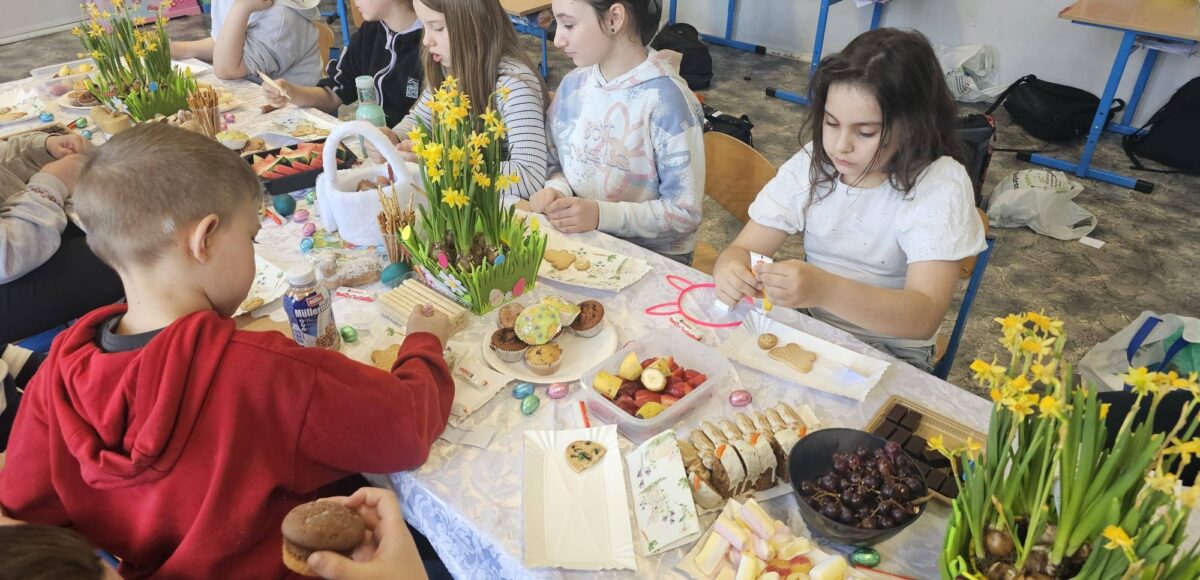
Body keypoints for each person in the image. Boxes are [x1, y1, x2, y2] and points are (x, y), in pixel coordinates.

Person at [0, 124, 456, 578]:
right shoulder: (264, 369)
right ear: (205, 239)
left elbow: (26, 519)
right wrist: (424, 343)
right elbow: (405, 427)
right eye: (251, 238)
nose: (252, 250)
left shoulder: (56, 375)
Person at [713, 28, 986, 371]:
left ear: (914, 126)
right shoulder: (815, 163)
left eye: (865, 132)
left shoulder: (939, 185)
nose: (841, 146)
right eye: (831, 123)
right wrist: (730, 269)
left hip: (893, 349)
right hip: (812, 323)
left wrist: (824, 290)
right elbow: (744, 249)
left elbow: (923, 316)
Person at [529, 0, 704, 265]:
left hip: (654, 258)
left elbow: (683, 213)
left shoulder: (668, 102)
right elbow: (555, 161)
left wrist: (601, 215)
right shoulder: (573, 85)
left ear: (614, 19)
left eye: (569, 24)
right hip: (586, 241)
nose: (557, 40)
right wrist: (557, 189)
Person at [389, 0, 549, 201]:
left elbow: (530, 176)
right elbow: (420, 121)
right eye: (423, 26)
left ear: (475, 24)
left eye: (437, 27)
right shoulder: (449, 70)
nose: (426, 40)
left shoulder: (513, 84)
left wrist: (448, 167)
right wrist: (395, 138)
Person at [0, 131, 122, 343]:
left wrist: (42, 149)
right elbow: (7, 255)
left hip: (13, 240)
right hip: (9, 259)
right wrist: (51, 183)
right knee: (128, 252)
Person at [263, 0, 424, 127]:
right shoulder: (369, 32)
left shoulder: (430, 43)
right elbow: (333, 95)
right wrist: (291, 92)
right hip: (375, 145)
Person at [172, 0, 322, 85]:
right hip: (258, 97)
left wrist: (242, 7)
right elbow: (225, 47)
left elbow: (227, 69)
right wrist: (175, 49)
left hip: (299, 117)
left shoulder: (281, 17)